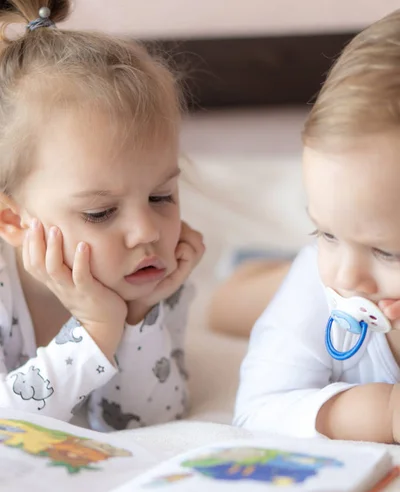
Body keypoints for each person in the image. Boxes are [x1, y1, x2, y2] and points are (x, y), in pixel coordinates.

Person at [0, 0, 204, 432]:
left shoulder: (155, 280)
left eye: (161, 196)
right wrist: (94, 329)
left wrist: (137, 316)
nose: (147, 231)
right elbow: (8, 431)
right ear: (14, 221)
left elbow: (147, 423)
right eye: (100, 212)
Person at [224, 9, 400, 443]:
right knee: (233, 303)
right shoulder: (322, 286)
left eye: (389, 251)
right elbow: (258, 410)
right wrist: (385, 412)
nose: (345, 274)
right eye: (325, 231)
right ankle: (258, 267)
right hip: (293, 285)